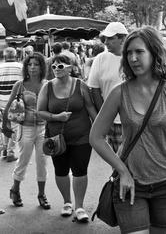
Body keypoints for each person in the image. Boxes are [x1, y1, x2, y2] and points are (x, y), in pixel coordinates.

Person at [89, 27, 166, 234]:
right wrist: (122, 171)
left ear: (154, 52)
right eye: (128, 53)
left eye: (139, 52)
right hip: (130, 182)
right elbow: (96, 137)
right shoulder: (119, 92)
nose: (133, 58)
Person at [37, 54, 97, 222]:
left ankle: (79, 206)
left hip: (82, 137)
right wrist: (57, 117)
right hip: (56, 138)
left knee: (80, 170)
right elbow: (40, 111)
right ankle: (67, 202)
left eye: (60, 66)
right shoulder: (47, 87)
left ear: (71, 68)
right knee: (61, 170)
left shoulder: (81, 86)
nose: (56, 69)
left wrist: (99, 130)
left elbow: (91, 108)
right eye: (54, 66)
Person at [3, 52, 49, 208]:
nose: (32, 67)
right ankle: (15, 190)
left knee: (42, 162)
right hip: (25, 128)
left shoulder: (47, 84)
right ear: (26, 67)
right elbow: (8, 106)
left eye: (36, 64)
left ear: (41, 66)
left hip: (43, 128)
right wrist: (5, 126)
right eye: (30, 64)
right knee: (23, 160)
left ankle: (42, 195)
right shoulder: (20, 85)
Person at [88, 22, 128, 153]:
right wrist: (105, 118)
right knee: (117, 165)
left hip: (136, 119)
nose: (106, 42)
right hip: (113, 122)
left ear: (122, 38)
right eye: (105, 38)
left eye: (111, 38)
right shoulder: (100, 59)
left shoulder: (132, 58)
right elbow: (94, 90)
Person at [0, 47, 22, 162]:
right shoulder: (21, 67)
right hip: (15, 103)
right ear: (16, 55)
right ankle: (10, 152)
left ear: (4, 56)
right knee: (14, 127)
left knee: (4, 125)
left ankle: (5, 148)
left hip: (1, 102)